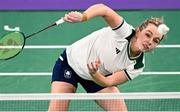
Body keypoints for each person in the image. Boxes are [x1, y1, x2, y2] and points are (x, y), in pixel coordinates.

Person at [48, 3, 169, 111]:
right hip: (71, 64)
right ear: (138, 31)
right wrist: (84, 16)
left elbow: (108, 81)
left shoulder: (137, 66)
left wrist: (94, 73)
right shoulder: (124, 32)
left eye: (155, 41)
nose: (149, 41)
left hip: (97, 76)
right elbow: (103, 9)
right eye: (148, 35)